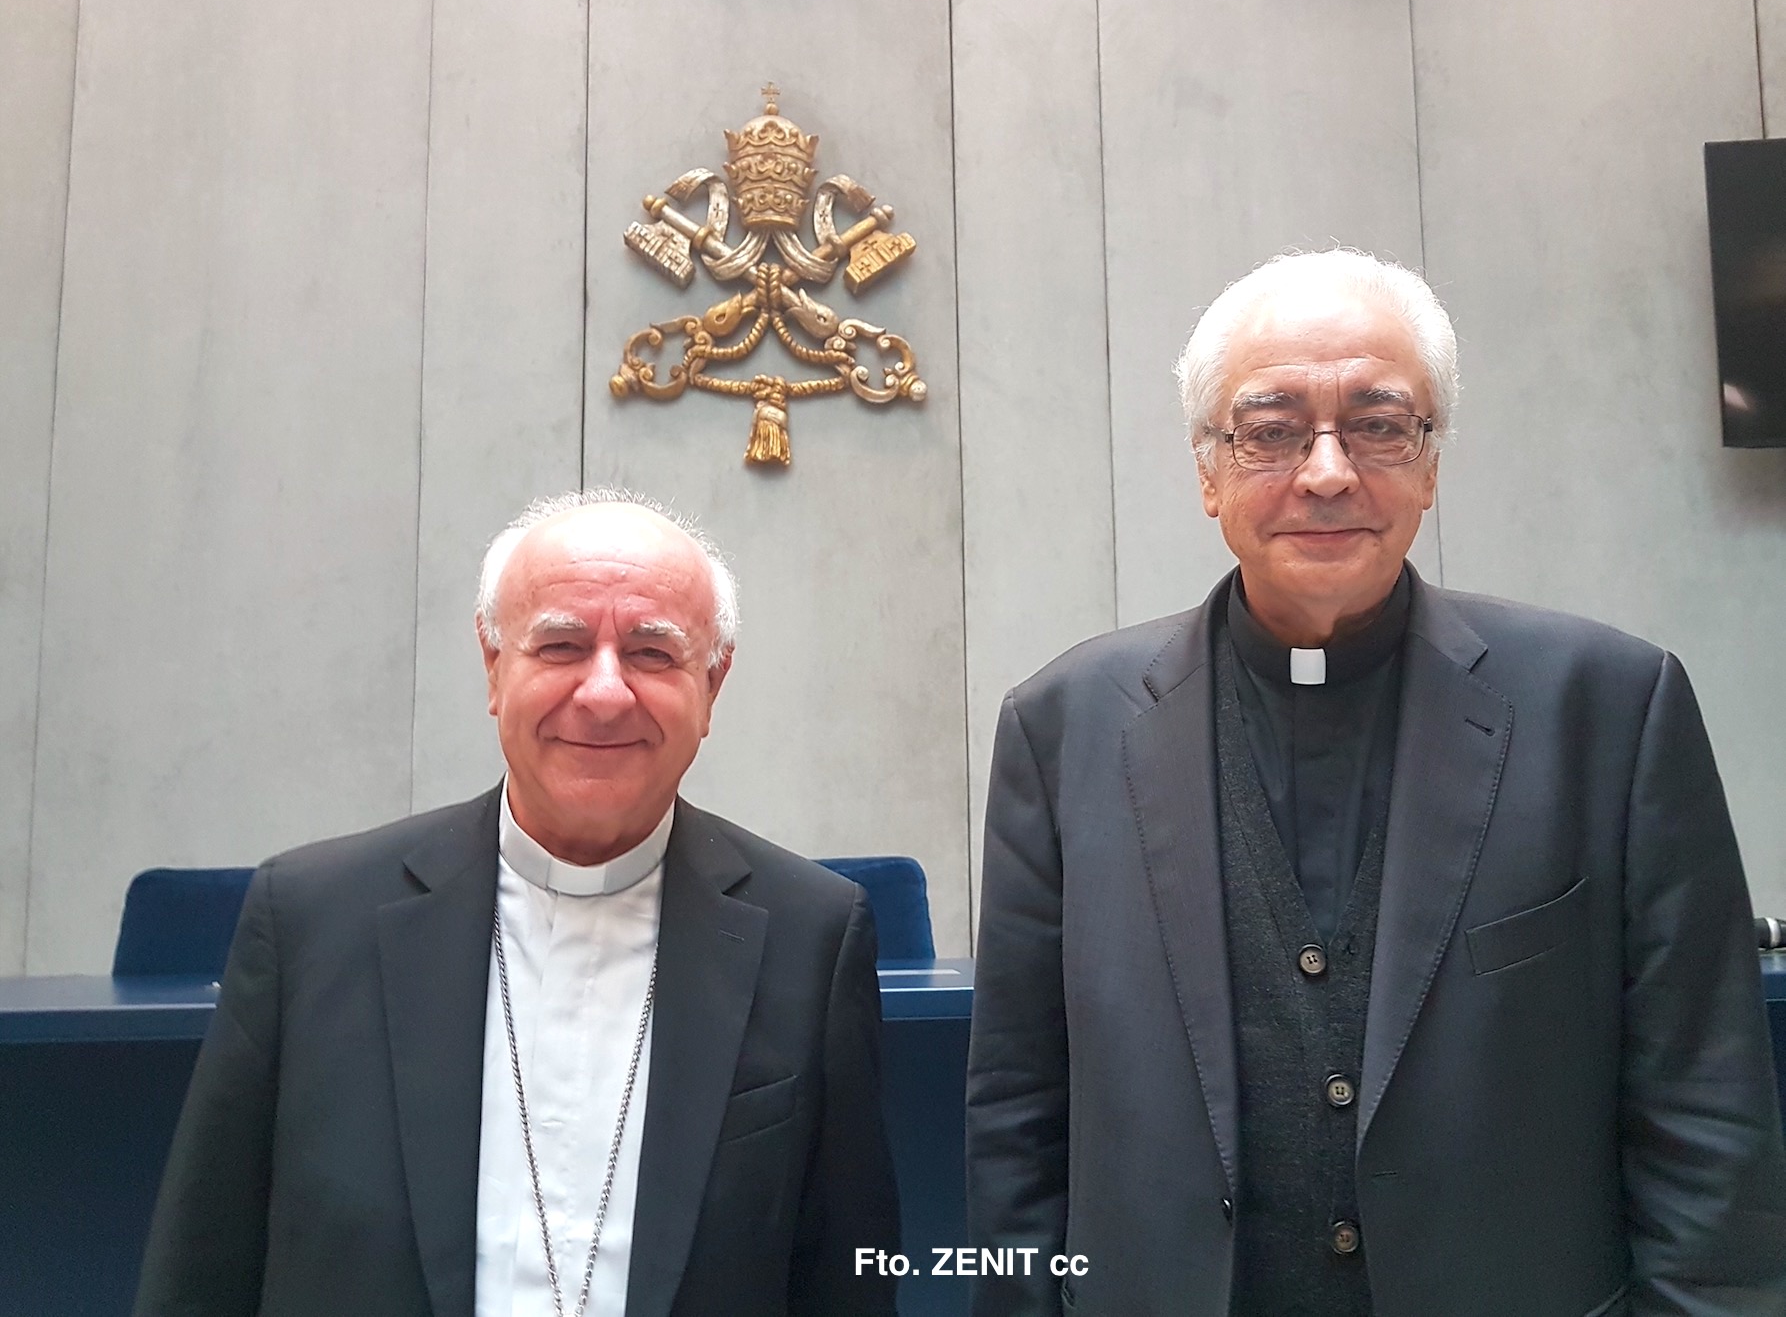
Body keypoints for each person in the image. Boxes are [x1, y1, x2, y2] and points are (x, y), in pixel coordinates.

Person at [965, 248, 1786, 1316]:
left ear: (1430, 465)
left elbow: (1705, 1106)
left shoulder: (1609, 708)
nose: (1326, 473)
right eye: (1269, 431)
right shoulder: (1063, 726)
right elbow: (1018, 1117)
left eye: (1379, 425)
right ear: (1207, 471)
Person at [135, 490, 900, 1317]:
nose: (604, 693)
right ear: (494, 664)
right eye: (561, 645)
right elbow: (201, 1268)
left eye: (651, 653)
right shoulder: (311, 921)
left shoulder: (812, 939)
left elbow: (848, 1281)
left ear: (712, 685)